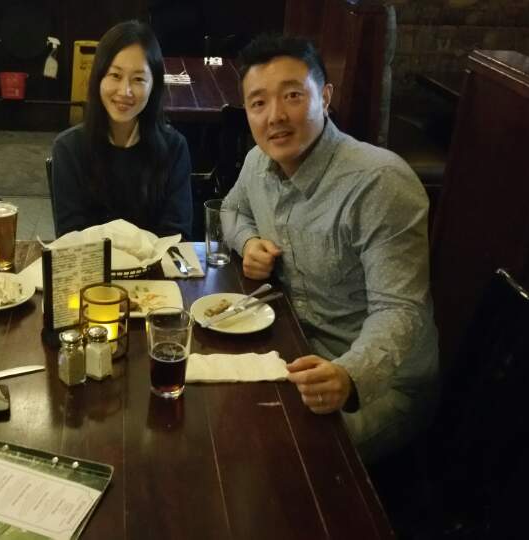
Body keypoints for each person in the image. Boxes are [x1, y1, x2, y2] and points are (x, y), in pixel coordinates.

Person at [221, 35, 438, 464]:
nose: (275, 116)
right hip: (297, 348)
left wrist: (349, 374)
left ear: (325, 96)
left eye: (293, 96)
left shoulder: (379, 182)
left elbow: (399, 310)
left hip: (382, 386)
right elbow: (231, 209)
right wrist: (248, 241)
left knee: (278, 460)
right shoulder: (258, 163)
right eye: (258, 103)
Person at [51, 20, 193, 239]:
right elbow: (71, 235)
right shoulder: (68, 148)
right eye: (115, 75)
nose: (125, 91)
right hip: (94, 262)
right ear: (98, 77)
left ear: (154, 86)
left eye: (138, 79)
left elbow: (177, 233)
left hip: (157, 262)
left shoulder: (174, 147)